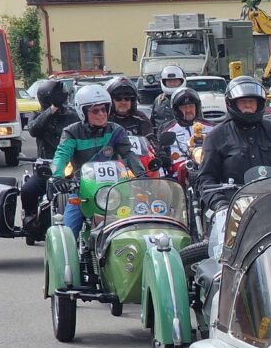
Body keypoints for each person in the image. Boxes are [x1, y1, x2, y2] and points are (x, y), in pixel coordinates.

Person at [50, 84, 147, 238]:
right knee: (67, 234)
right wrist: (57, 176)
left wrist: (142, 176)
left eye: (104, 109)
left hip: (115, 191)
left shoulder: (116, 130)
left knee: (140, 223)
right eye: (95, 111)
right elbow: (61, 155)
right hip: (82, 192)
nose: (101, 114)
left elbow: (129, 154)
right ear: (82, 112)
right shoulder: (71, 132)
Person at [197, 76, 271, 208]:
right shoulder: (216, 136)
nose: (248, 105)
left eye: (251, 101)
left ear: (259, 103)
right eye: (243, 101)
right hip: (234, 206)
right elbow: (206, 180)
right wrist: (221, 205)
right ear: (231, 104)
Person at [20, 79, 77, 228]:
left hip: (69, 166)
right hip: (46, 168)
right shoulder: (37, 115)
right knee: (27, 190)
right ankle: (30, 219)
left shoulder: (72, 115)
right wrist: (52, 109)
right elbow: (34, 130)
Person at [161, 86, 211, 157]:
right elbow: (161, 153)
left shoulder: (211, 128)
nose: (188, 110)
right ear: (176, 110)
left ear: (197, 107)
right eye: (184, 107)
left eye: (191, 106)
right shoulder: (168, 130)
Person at [150, 65, 186, 131]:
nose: (172, 83)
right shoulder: (158, 100)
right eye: (169, 81)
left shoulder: (188, 98)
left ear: (181, 81)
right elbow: (152, 123)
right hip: (161, 135)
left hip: (182, 135)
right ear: (164, 82)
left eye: (175, 81)